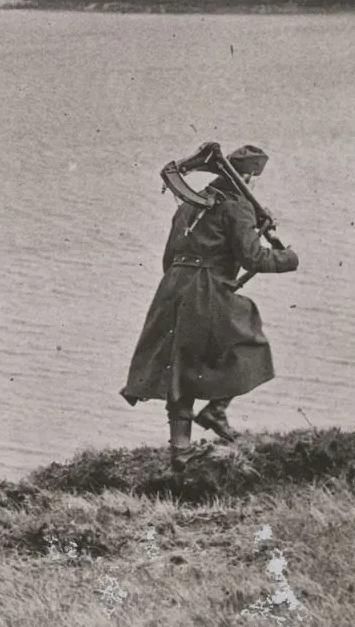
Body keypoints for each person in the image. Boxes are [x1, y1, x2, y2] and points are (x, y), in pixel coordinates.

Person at [121, 145, 299, 466]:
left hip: (173, 287)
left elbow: (169, 256)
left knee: (182, 363)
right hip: (209, 287)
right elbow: (252, 257)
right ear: (247, 177)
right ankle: (216, 410)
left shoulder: (190, 204)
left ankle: (181, 450)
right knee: (249, 336)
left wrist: (255, 227)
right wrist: (287, 258)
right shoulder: (238, 206)